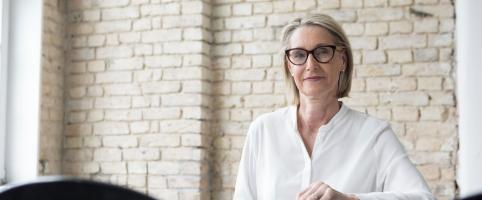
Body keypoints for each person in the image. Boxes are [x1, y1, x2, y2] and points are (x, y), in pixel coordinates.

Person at [233, 14, 436, 200]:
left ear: (343, 60)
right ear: (289, 66)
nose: (310, 64)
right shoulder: (263, 130)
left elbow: (424, 197)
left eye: (322, 52)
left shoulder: (374, 134)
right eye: (299, 55)